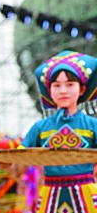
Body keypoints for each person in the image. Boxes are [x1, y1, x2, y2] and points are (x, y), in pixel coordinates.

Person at [18, 50, 97, 212]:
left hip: (86, 192)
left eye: (69, 84)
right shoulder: (39, 128)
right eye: (57, 85)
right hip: (50, 192)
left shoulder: (92, 124)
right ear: (49, 90)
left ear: (82, 90)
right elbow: (20, 156)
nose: (63, 91)